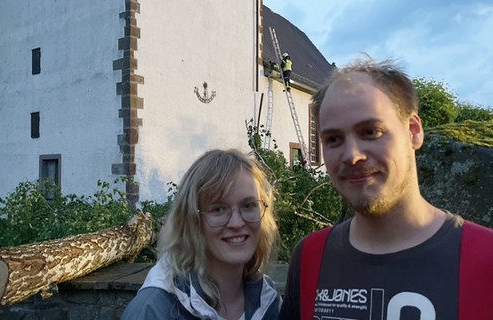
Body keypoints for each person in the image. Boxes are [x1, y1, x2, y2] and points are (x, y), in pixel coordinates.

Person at [279, 56, 493, 319]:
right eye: (333, 139)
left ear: (413, 131)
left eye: (370, 132)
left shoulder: (485, 258)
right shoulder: (311, 258)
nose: (352, 155)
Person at [122, 149, 281, 319]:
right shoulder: (154, 311)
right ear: (191, 220)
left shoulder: (268, 302)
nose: (237, 223)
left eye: (248, 205)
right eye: (218, 209)